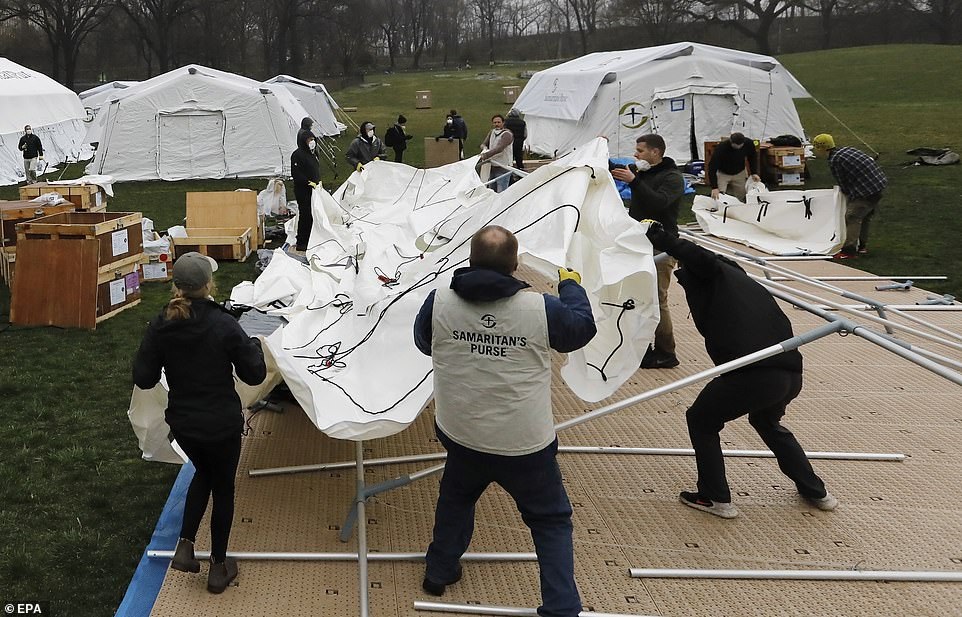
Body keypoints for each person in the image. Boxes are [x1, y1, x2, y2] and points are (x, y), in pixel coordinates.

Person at [414, 225, 596, 617]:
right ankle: (561, 607)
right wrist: (571, 287)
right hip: (523, 443)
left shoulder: (439, 300)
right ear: (515, 266)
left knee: (456, 497)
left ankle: (439, 570)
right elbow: (581, 330)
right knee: (550, 520)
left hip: (461, 430)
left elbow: (424, 342)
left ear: (469, 260)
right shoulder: (539, 309)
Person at [643, 220, 837, 519]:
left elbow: (701, 258)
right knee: (767, 423)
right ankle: (817, 492)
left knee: (701, 419)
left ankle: (714, 498)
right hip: (789, 374)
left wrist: (662, 238)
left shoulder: (717, 275)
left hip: (754, 373)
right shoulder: (746, 286)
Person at [132, 252, 267, 593]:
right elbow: (255, 375)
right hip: (221, 426)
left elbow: (144, 378)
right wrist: (253, 344)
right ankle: (218, 568)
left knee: (203, 472)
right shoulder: (224, 324)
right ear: (209, 285)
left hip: (184, 426)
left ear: (176, 286)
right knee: (223, 488)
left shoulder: (162, 323)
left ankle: (185, 545)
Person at [611, 133, 685, 369]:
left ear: (656, 152)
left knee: (656, 299)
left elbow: (658, 203)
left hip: (661, 247)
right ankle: (644, 348)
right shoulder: (643, 171)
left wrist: (634, 182)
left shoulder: (673, 178)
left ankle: (666, 351)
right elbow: (616, 167)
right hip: (638, 243)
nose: (636, 155)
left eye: (640, 151)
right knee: (640, 297)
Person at [813, 133, 888, 258]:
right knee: (865, 217)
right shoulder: (847, 149)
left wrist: (849, 196)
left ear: (822, 148)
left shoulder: (834, 160)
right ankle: (862, 246)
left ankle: (849, 251)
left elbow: (843, 184)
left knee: (852, 217)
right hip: (878, 184)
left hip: (867, 190)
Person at [291, 129, 322, 252]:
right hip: (303, 190)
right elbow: (296, 173)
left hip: (313, 189)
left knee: (313, 214)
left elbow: (315, 169)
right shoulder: (297, 155)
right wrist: (307, 182)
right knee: (305, 215)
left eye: (313, 139)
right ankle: (302, 242)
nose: (312, 142)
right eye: (310, 140)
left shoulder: (313, 154)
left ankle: (311, 238)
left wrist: (318, 181)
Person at [707, 132, 760, 202]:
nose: (738, 147)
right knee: (718, 197)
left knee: (743, 197)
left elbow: (752, 158)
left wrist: (754, 173)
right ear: (731, 142)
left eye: (740, 145)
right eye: (736, 145)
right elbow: (712, 167)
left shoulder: (749, 143)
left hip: (739, 173)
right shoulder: (721, 148)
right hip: (723, 173)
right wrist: (714, 187)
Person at [480, 114, 514, 193]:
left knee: (501, 192)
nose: (496, 124)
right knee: (491, 191)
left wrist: (486, 155)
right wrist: (484, 148)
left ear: (503, 123)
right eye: (495, 122)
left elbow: (499, 148)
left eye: (498, 122)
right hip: (492, 166)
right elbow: (484, 144)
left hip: (503, 167)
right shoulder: (492, 132)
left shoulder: (507, 134)